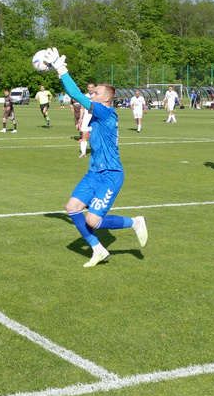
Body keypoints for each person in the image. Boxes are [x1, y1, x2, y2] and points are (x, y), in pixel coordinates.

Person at [39, 48, 147, 267]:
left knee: (92, 221)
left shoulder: (106, 112)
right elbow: (80, 97)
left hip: (110, 174)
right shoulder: (99, 112)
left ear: (106, 99)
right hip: (94, 172)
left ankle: (135, 222)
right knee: (71, 208)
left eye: (96, 93)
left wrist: (60, 69)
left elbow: (76, 95)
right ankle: (98, 249)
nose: (92, 95)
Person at [77, 83, 95, 156]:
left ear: (95, 88)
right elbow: (82, 108)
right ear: (87, 88)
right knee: (84, 135)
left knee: (95, 135)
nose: (90, 89)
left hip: (95, 117)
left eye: (92, 87)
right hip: (87, 116)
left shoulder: (98, 96)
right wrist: (80, 119)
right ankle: (83, 153)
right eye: (89, 87)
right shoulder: (85, 96)